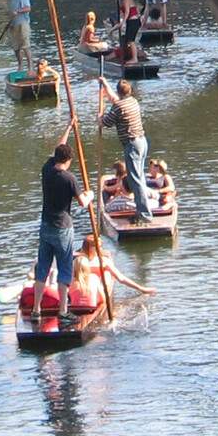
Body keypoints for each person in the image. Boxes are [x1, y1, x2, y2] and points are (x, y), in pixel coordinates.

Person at [33, 139, 92, 326]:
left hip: (45, 226)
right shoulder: (69, 178)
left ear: (55, 156)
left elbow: (58, 145)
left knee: (43, 267)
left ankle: (36, 310)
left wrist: (68, 127)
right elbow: (83, 202)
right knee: (65, 268)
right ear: (68, 160)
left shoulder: (46, 170)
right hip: (63, 229)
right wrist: (90, 195)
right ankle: (63, 312)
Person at [97, 78, 154, 219]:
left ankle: (144, 214)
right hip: (142, 142)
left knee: (135, 180)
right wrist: (105, 84)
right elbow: (115, 100)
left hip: (132, 145)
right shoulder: (132, 101)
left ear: (118, 91)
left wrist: (100, 117)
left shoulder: (118, 107)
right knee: (139, 177)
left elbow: (105, 123)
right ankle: (143, 209)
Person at [66, 232, 154, 312]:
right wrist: (142, 289)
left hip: (97, 292)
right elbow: (121, 278)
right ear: (90, 247)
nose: (100, 248)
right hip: (88, 292)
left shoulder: (79, 260)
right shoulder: (92, 261)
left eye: (100, 246)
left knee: (106, 273)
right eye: (97, 246)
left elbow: (121, 278)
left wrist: (141, 288)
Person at [7, 0, 33, 71]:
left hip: (23, 24)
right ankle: (20, 66)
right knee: (16, 47)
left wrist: (18, 11)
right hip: (14, 25)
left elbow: (28, 8)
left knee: (25, 45)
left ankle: (30, 67)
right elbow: (11, 13)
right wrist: (10, 23)